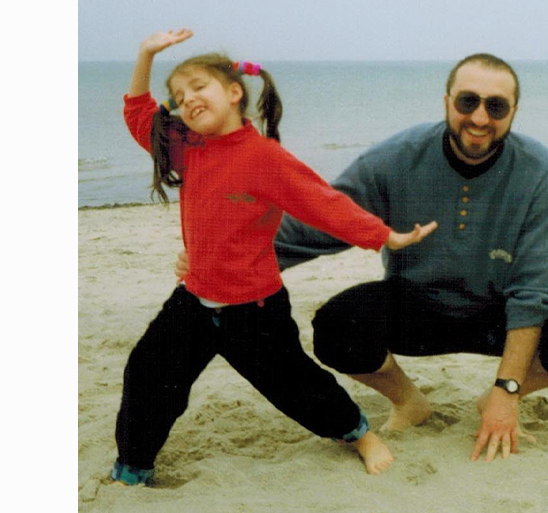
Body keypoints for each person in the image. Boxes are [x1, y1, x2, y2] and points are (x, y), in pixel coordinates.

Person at [176, 53, 548, 463]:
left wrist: (507, 390)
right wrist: (216, 258)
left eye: (496, 106)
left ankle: (493, 396)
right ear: (447, 100)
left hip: (499, 313)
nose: (479, 117)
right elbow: (325, 221)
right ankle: (409, 402)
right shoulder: (396, 158)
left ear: (513, 112)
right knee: (335, 327)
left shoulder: (537, 168)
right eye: (468, 101)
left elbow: (536, 284)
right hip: (417, 307)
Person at [111, 29, 438, 485]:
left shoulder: (264, 158)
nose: (187, 100)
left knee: (295, 386)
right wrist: (145, 53)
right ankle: (133, 468)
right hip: (195, 300)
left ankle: (359, 434)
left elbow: (323, 203)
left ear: (233, 92)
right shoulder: (188, 148)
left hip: (256, 309)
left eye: (198, 87)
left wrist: (383, 235)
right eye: (179, 96)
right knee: (148, 373)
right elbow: (139, 116)